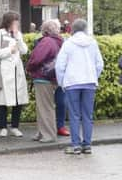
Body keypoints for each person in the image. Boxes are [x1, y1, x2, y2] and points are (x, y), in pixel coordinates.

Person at [55, 19, 103, 155]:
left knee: (74, 115)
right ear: (85, 29)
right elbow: (99, 64)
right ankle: (87, 145)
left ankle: (76, 145)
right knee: (88, 115)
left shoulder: (68, 43)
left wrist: (62, 82)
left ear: (72, 29)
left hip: (72, 83)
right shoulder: (92, 43)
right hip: (89, 82)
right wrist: (94, 76)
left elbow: (60, 65)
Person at [0, 11, 29, 138]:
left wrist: (18, 37)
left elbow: (24, 50)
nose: (16, 23)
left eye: (17, 21)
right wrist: (9, 50)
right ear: (8, 21)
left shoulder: (18, 34)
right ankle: (2, 127)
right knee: (3, 100)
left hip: (17, 70)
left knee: (18, 99)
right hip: (4, 71)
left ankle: (15, 126)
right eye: (14, 21)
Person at [26, 20, 63, 143]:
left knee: (45, 107)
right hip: (53, 78)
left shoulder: (47, 41)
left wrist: (29, 68)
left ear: (45, 30)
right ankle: (42, 132)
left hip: (43, 77)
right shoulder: (60, 41)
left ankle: (48, 135)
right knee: (45, 107)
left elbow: (36, 58)